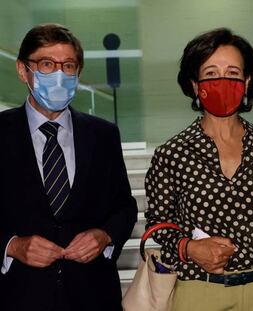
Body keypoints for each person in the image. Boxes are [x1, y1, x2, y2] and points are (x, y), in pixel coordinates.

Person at [145, 28, 253, 311]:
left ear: (247, 81)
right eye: (212, 74)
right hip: (200, 292)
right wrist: (188, 248)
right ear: (195, 84)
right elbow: (156, 223)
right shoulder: (172, 153)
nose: (223, 82)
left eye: (232, 73)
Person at [0, 24, 137, 311]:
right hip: (16, 296)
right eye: (47, 64)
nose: (60, 76)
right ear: (23, 71)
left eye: (69, 66)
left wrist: (105, 235)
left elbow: (124, 207)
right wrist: (12, 246)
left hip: (93, 296)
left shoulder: (103, 135)